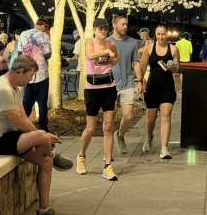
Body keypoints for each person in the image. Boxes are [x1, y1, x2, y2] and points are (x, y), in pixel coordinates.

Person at [0, 55, 73, 215]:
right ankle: (52, 152)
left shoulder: (14, 87)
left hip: (10, 136)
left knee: (46, 161)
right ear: (21, 71)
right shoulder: (2, 89)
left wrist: (40, 136)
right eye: (30, 76)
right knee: (41, 136)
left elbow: (23, 117)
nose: (31, 80)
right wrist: (42, 136)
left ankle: (44, 212)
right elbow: (18, 121)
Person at [76, 19, 119, 180]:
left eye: (105, 28)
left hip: (108, 86)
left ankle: (107, 165)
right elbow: (90, 55)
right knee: (91, 128)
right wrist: (106, 53)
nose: (103, 31)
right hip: (92, 88)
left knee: (108, 126)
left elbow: (115, 60)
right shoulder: (89, 42)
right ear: (94, 29)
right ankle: (81, 156)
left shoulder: (111, 44)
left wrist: (113, 55)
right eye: (100, 28)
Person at [140, 24, 180, 159]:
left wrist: (173, 66)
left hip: (167, 88)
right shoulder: (149, 48)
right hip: (152, 87)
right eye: (158, 34)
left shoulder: (173, 49)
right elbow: (142, 66)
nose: (161, 37)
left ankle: (164, 148)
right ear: (155, 35)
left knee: (166, 116)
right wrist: (140, 82)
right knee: (150, 119)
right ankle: (149, 137)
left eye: (163, 34)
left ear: (167, 35)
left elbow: (177, 68)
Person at [109, 15, 143, 154]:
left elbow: (135, 63)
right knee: (109, 119)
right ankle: (108, 149)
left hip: (128, 82)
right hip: (109, 83)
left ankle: (120, 135)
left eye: (126, 24)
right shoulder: (106, 42)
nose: (125, 27)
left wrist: (139, 80)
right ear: (114, 25)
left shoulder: (133, 43)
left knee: (128, 116)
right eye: (123, 24)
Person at [16, 19, 52, 132]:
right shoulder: (44, 36)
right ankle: (43, 127)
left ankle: (22, 126)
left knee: (27, 101)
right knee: (42, 102)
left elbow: (19, 53)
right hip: (41, 73)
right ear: (45, 26)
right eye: (47, 28)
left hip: (28, 72)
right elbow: (48, 54)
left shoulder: (23, 34)